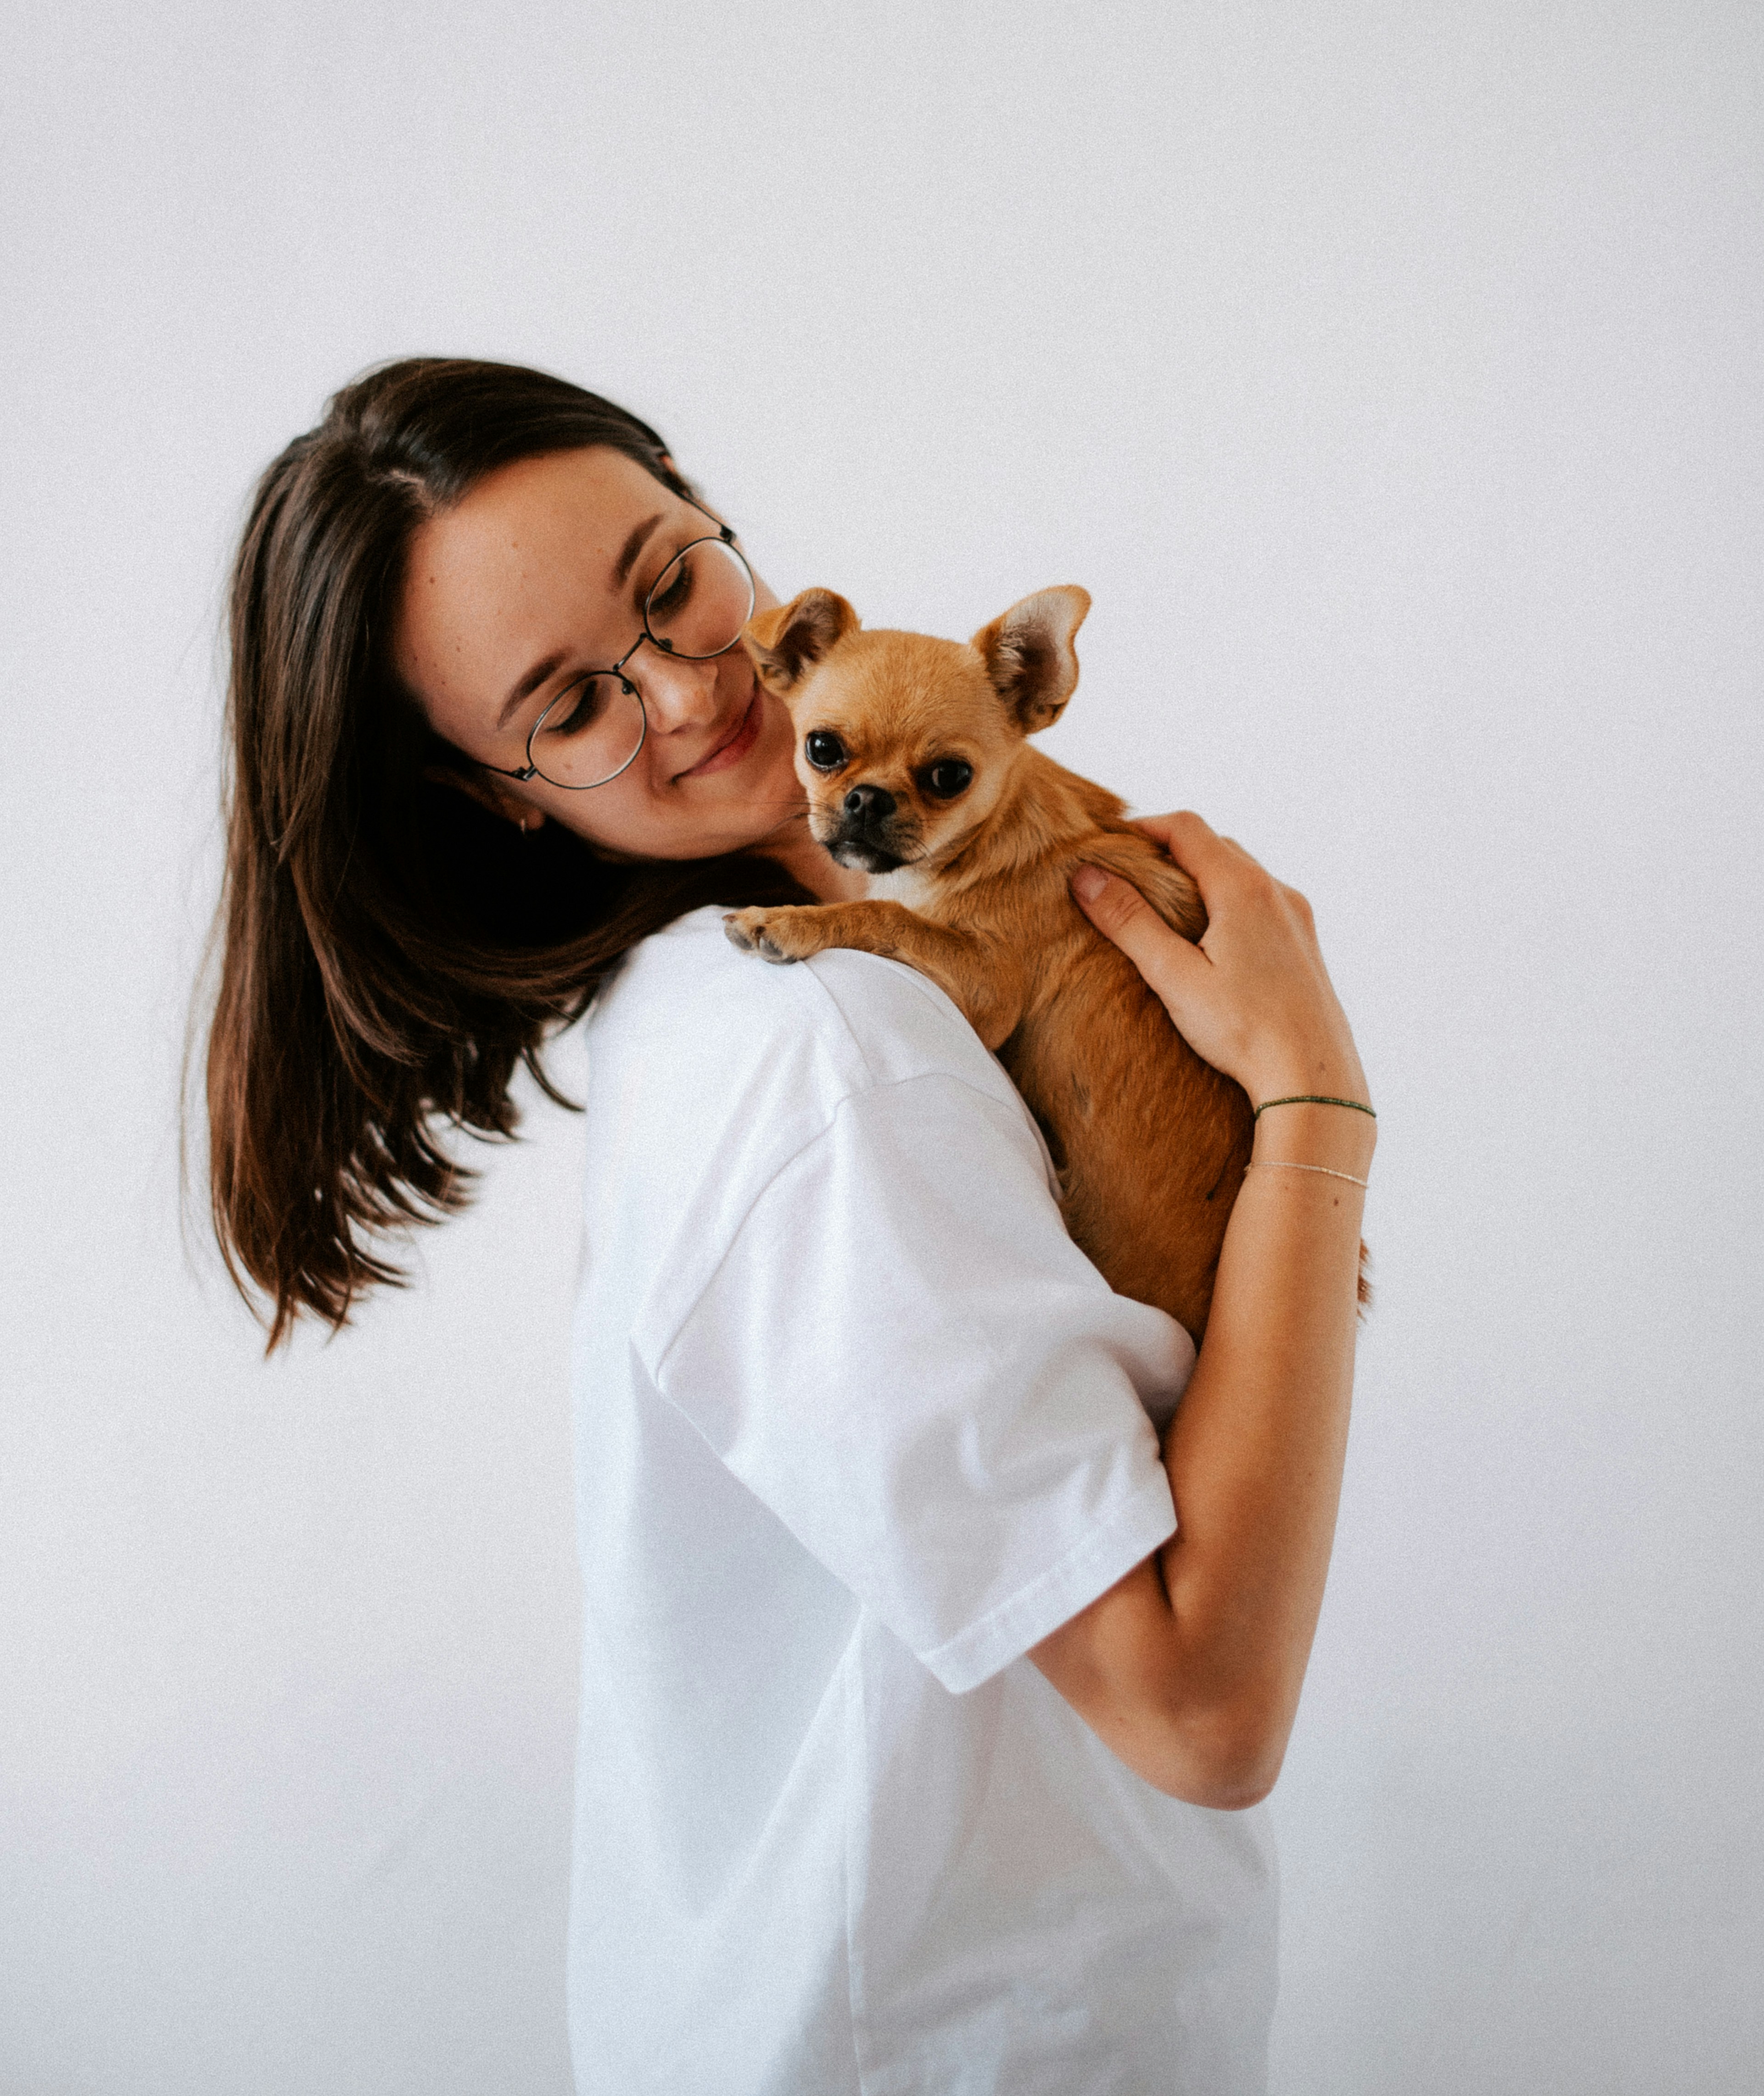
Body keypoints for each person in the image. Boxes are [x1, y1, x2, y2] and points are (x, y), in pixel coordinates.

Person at [207, 357, 1374, 2095]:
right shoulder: (818, 1046)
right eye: (571, 704)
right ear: (493, 792)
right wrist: (1315, 1117)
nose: (688, 690)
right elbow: (1202, 1707)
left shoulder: (733, 998)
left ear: (709, 507)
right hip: (952, 2036)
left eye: (671, 582)